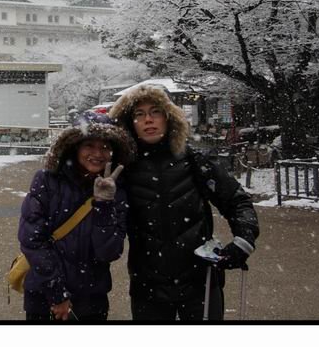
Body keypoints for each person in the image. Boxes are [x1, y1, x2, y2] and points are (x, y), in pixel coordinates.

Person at [108, 85, 260, 321]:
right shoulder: (121, 170)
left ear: (168, 118)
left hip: (200, 281)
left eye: (155, 111)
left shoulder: (194, 160)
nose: (148, 119)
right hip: (148, 286)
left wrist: (243, 241)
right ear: (130, 122)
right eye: (139, 114)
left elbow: (237, 201)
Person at [18, 111, 134, 322]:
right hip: (44, 296)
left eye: (105, 147)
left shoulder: (117, 191)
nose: (98, 153)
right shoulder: (47, 180)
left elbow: (109, 251)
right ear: (74, 146)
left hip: (91, 299)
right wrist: (57, 293)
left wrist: (104, 204)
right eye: (89, 145)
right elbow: (31, 239)